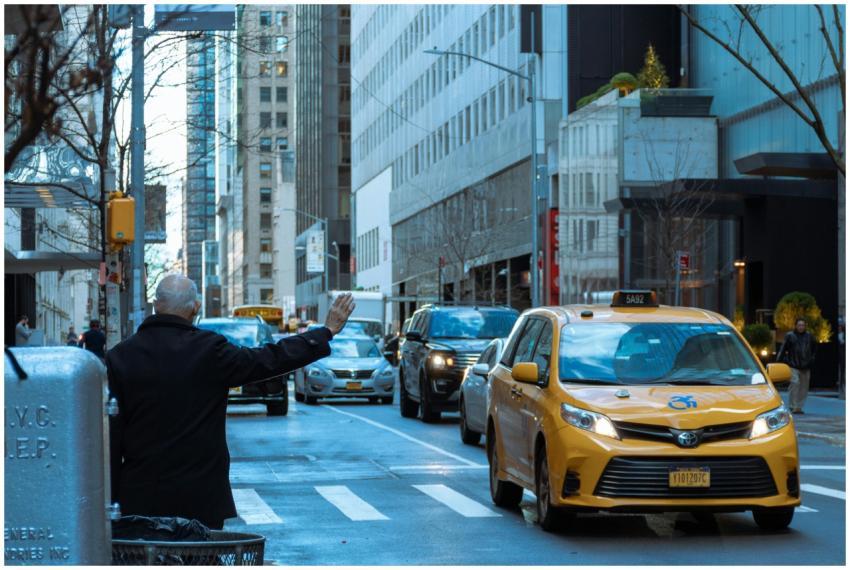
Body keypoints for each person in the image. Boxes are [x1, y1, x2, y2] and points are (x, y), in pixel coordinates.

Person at [106, 274, 354, 529]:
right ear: (195, 308)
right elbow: (270, 359)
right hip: (200, 499)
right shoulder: (209, 350)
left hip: (139, 498)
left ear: (155, 305)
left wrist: (110, 504)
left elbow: (110, 440)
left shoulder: (119, 358)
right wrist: (324, 333)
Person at [776, 318, 816, 414]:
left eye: (803, 325)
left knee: (804, 387)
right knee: (795, 384)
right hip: (793, 365)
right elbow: (783, 348)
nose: (801, 327)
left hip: (806, 366)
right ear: (796, 326)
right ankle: (793, 405)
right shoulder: (790, 336)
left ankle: (799, 407)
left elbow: (814, 349)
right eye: (799, 325)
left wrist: (811, 360)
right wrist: (779, 361)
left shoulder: (809, 336)